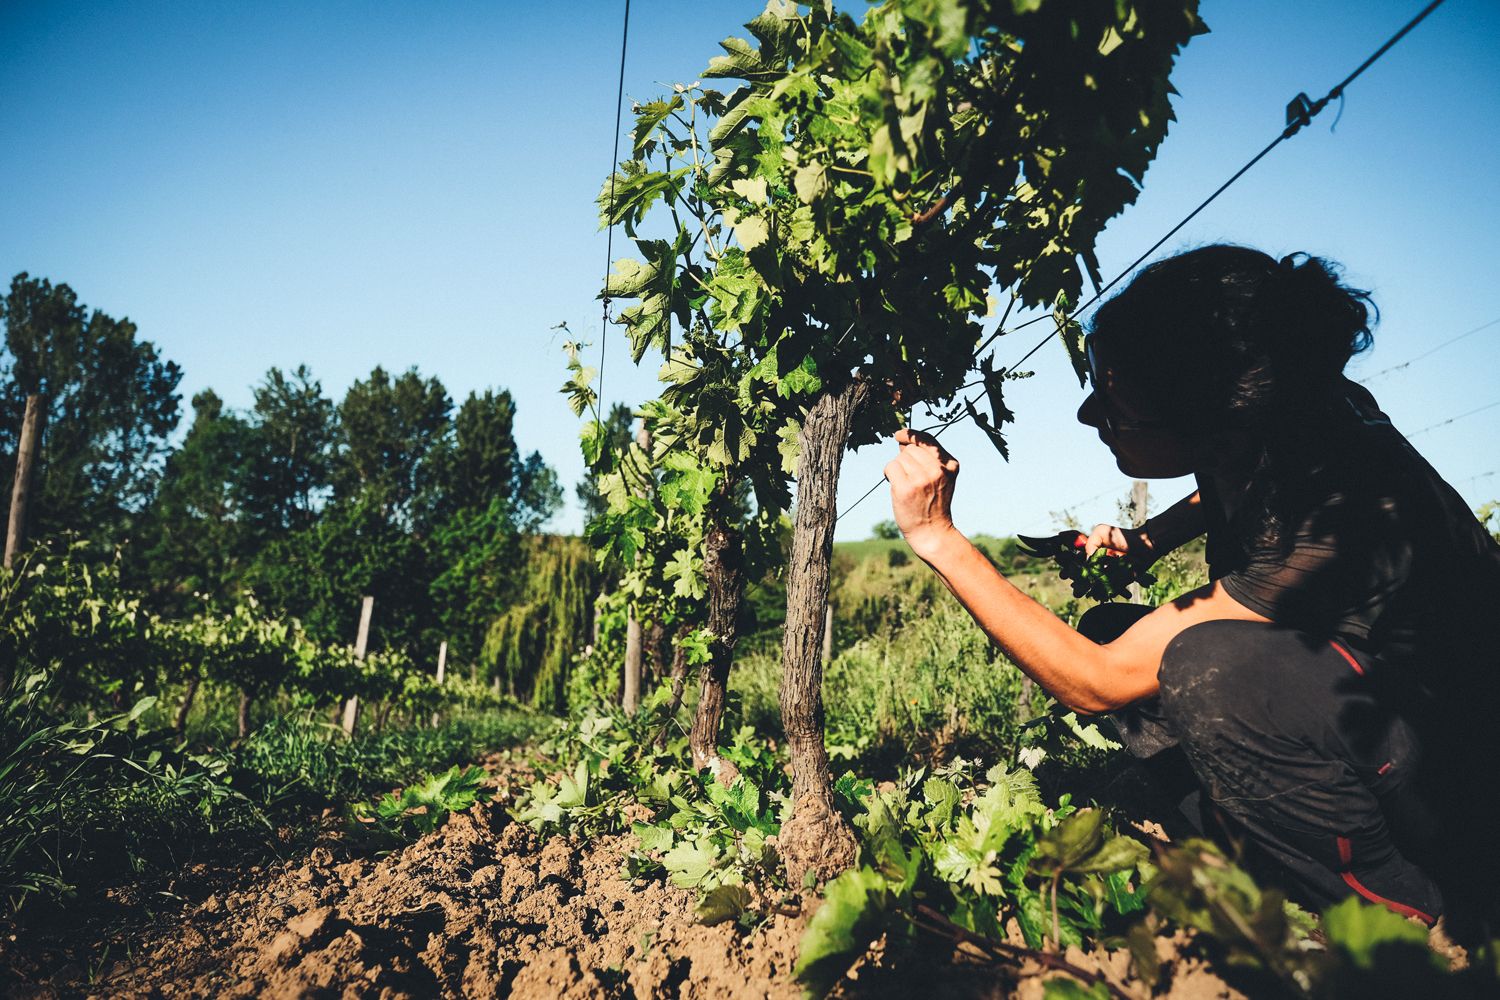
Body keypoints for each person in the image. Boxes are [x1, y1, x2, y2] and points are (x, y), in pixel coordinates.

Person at [883, 244, 1500, 936]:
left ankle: (1396, 904)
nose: (1091, 417)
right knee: (1124, 629)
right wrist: (1147, 542)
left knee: (1208, 671)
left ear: (1211, 425)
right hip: (1388, 734)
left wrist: (938, 536)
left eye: (1115, 409)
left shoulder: (1338, 506)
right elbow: (1221, 487)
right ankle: (1256, 844)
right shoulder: (1283, 414)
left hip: (1465, 784)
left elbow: (1097, 682)